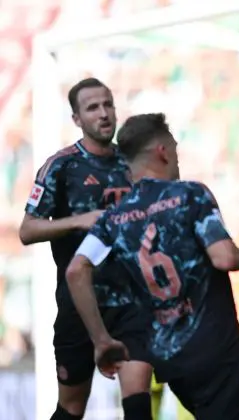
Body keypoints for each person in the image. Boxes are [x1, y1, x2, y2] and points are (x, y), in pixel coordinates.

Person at [64, 113, 239, 420]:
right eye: (174, 148)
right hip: (215, 349)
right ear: (162, 150)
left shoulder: (113, 219)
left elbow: (76, 270)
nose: (177, 158)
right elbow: (223, 257)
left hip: (171, 360)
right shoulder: (190, 195)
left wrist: (101, 340)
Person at [19, 78, 153, 420]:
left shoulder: (133, 164)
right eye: (93, 107)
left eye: (108, 105)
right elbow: (28, 229)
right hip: (79, 305)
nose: (104, 114)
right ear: (77, 118)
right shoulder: (61, 167)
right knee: (72, 408)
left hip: (130, 302)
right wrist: (79, 221)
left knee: (137, 402)